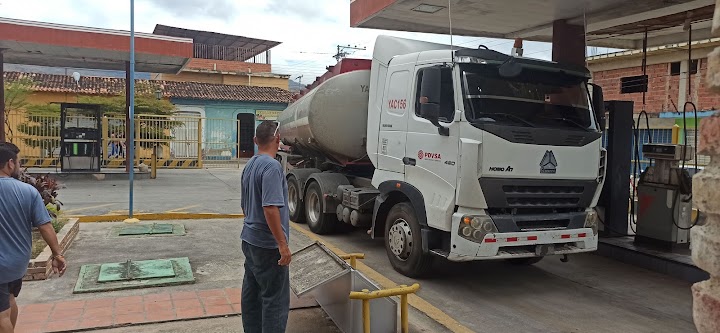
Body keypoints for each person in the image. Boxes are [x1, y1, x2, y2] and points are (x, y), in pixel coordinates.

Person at [0, 143, 67, 333]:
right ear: (10, 164)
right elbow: (45, 226)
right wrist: (57, 255)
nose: (19, 166)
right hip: (17, 263)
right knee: (10, 299)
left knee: (0, 315)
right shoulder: (27, 191)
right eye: (19, 162)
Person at [240, 121, 291, 333]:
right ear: (278, 140)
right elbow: (270, 208)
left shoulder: (250, 164)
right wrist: (282, 245)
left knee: (252, 294)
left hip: (249, 240)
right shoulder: (272, 166)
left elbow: (245, 204)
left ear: (255, 141)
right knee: (275, 300)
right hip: (267, 246)